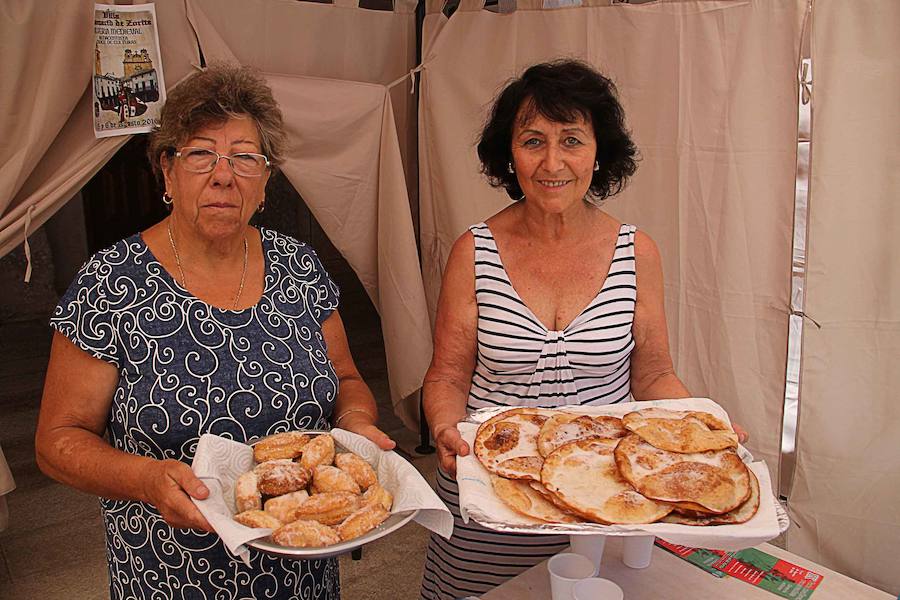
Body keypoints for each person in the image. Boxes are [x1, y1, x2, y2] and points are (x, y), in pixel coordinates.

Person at [35, 62, 395, 600]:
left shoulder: (299, 266)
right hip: (171, 574)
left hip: (302, 569)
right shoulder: (111, 283)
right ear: (166, 170)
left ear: (266, 179)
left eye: (245, 157)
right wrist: (147, 480)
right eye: (201, 153)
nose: (223, 175)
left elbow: (344, 377)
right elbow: (57, 441)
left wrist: (357, 425)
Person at [419, 59, 747, 600]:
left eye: (572, 139)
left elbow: (656, 372)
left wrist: (702, 432)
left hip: (609, 494)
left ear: (599, 153)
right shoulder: (471, 251)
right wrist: (447, 428)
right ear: (510, 152)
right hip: (492, 489)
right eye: (533, 141)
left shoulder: (636, 251)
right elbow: (448, 373)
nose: (553, 162)